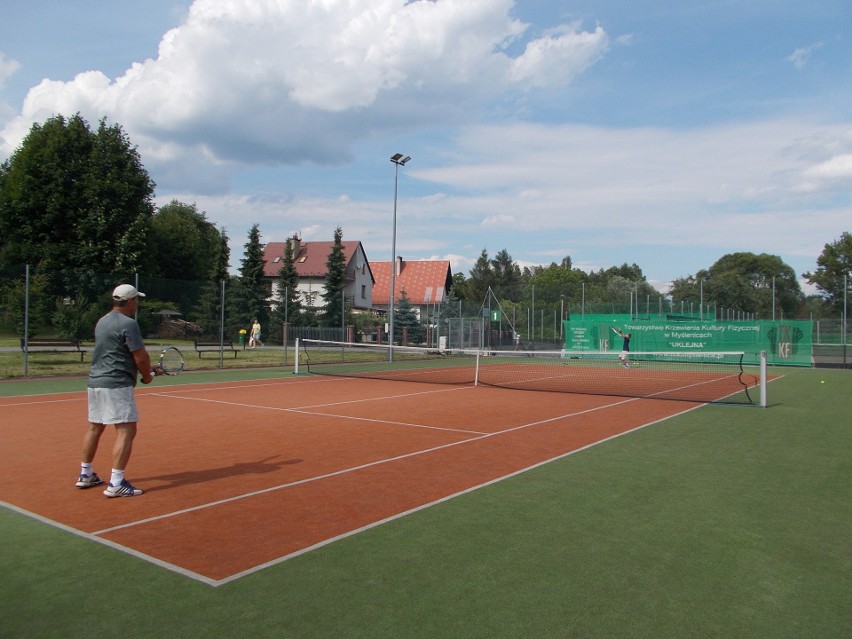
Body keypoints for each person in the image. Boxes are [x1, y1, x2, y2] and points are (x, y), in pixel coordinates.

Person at [76, 284, 161, 497]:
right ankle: (116, 483)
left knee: (95, 427)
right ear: (130, 301)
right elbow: (140, 357)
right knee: (127, 430)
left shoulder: (102, 321)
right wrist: (147, 375)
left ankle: (85, 474)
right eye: (137, 300)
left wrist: (145, 370)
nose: (138, 303)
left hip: (95, 382)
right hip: (116, 384)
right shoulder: (129, 324)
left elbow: (116, 354)